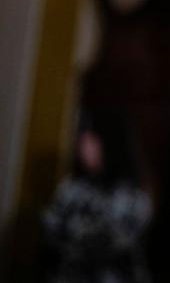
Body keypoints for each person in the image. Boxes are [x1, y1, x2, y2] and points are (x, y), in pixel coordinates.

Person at [40, 109, 152, 283]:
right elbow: (50, 229)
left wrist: (73, 236)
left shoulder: (132, 197)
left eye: (92, 139)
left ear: (110, 143)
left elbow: (107, 242)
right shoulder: (71, 187)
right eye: (83, 139)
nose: (83, 146)